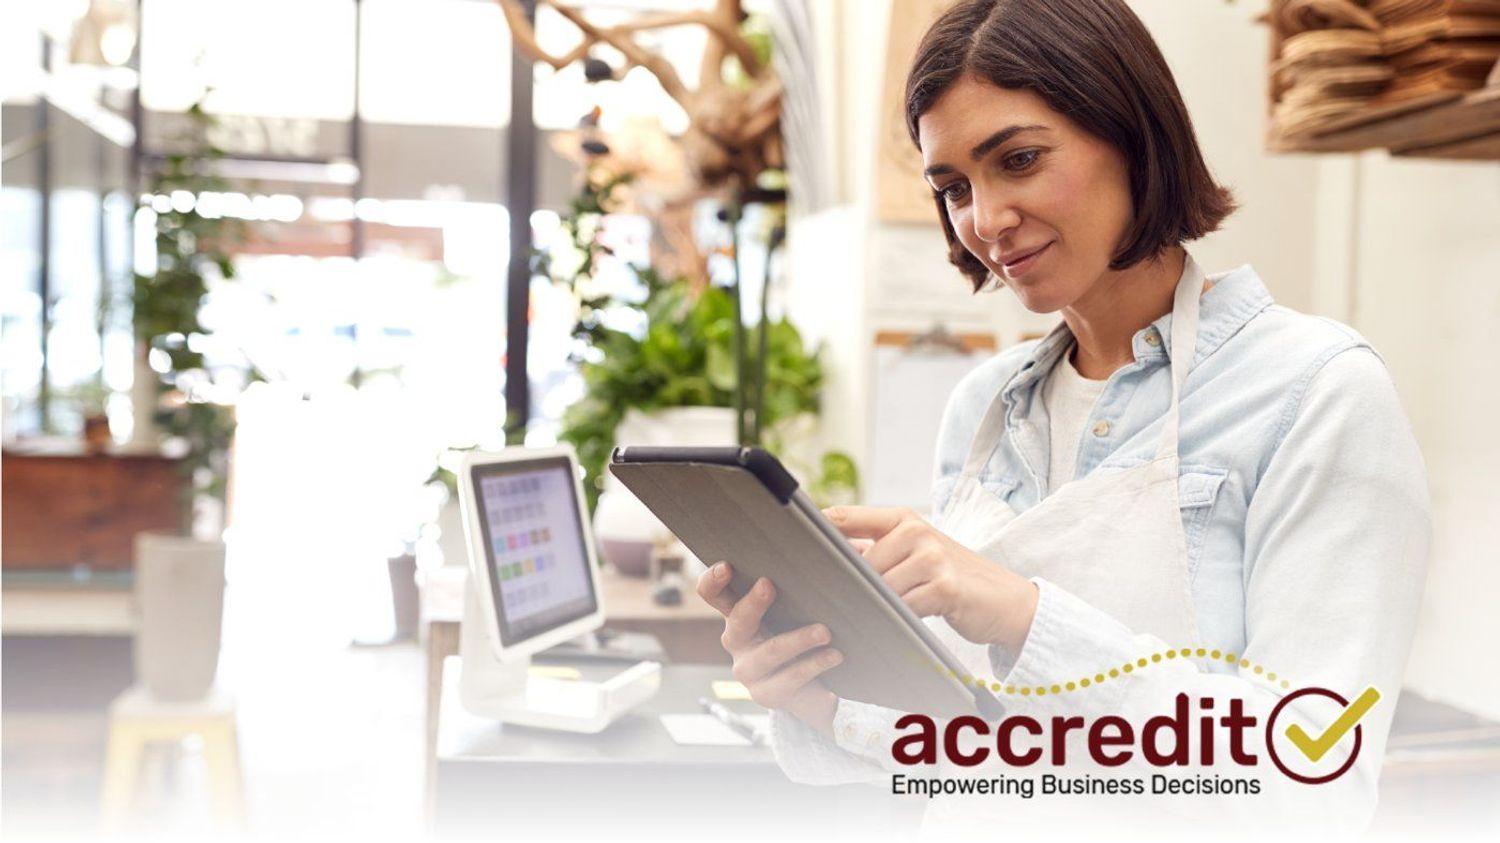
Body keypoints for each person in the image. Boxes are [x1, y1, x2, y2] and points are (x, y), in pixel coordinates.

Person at [696, 0, 1429, 833]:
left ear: (1133, 132)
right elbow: (974, 751)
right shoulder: (985, 407)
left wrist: (1024, 615)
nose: (985, 220)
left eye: (1020, 159)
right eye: (955, 188)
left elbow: (1313, 781)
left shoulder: (1317, 392)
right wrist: (819, 697)